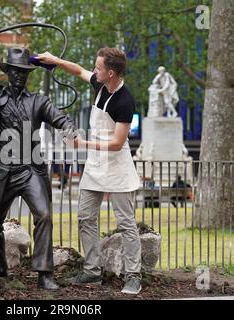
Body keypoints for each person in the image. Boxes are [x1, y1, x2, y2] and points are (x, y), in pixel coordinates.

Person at [0, 32, 76, 290]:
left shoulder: (39, 102)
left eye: (24, 72)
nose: (20, 76)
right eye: (15, 72)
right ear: (8, 72)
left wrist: (69, 129)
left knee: (44, 216)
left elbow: (59, 117)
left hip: (30, 170)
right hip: (4, 170)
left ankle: (44, 273)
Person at [36, 47, 143, 294]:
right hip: (95, 165)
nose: (94, 71)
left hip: (117, 166)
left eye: (99, 68)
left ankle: (133, 276)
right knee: (85, 216)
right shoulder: (100, 84)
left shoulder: (125, 101)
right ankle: (92, 271)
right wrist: (55, 61)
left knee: (126, 223)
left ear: (112, 73)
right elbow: (78, 70)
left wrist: (82, 144)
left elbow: (117, 143)